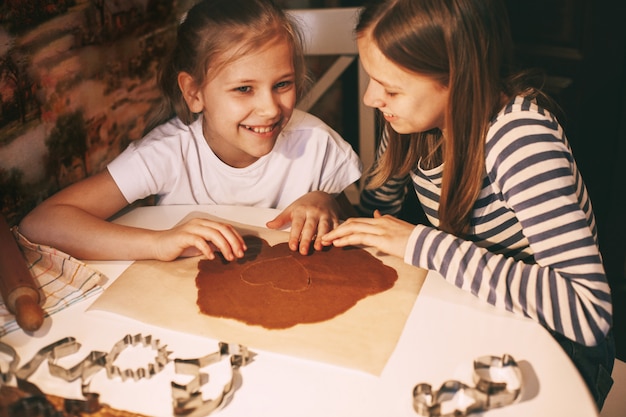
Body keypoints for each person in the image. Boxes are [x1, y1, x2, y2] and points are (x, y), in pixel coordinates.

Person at [321, 0, 615, 409]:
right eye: (372, 79)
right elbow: (375, 215)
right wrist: (325, 199)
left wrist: (422, 245)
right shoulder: (415, 119)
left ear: (457, 79)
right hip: (483, 312)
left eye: (389, 88)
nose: (371, 98)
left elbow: (587, 310)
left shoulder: (520, 139)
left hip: (560, 348)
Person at [19, 0, 361, 261]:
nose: (271, 109)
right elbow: (42, 223)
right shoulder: (166, 153)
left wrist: (326, 203)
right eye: (244, 89)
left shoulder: (317, 145)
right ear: (194, 93)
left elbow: (356, 223)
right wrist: (158, 243)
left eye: (282, 84)